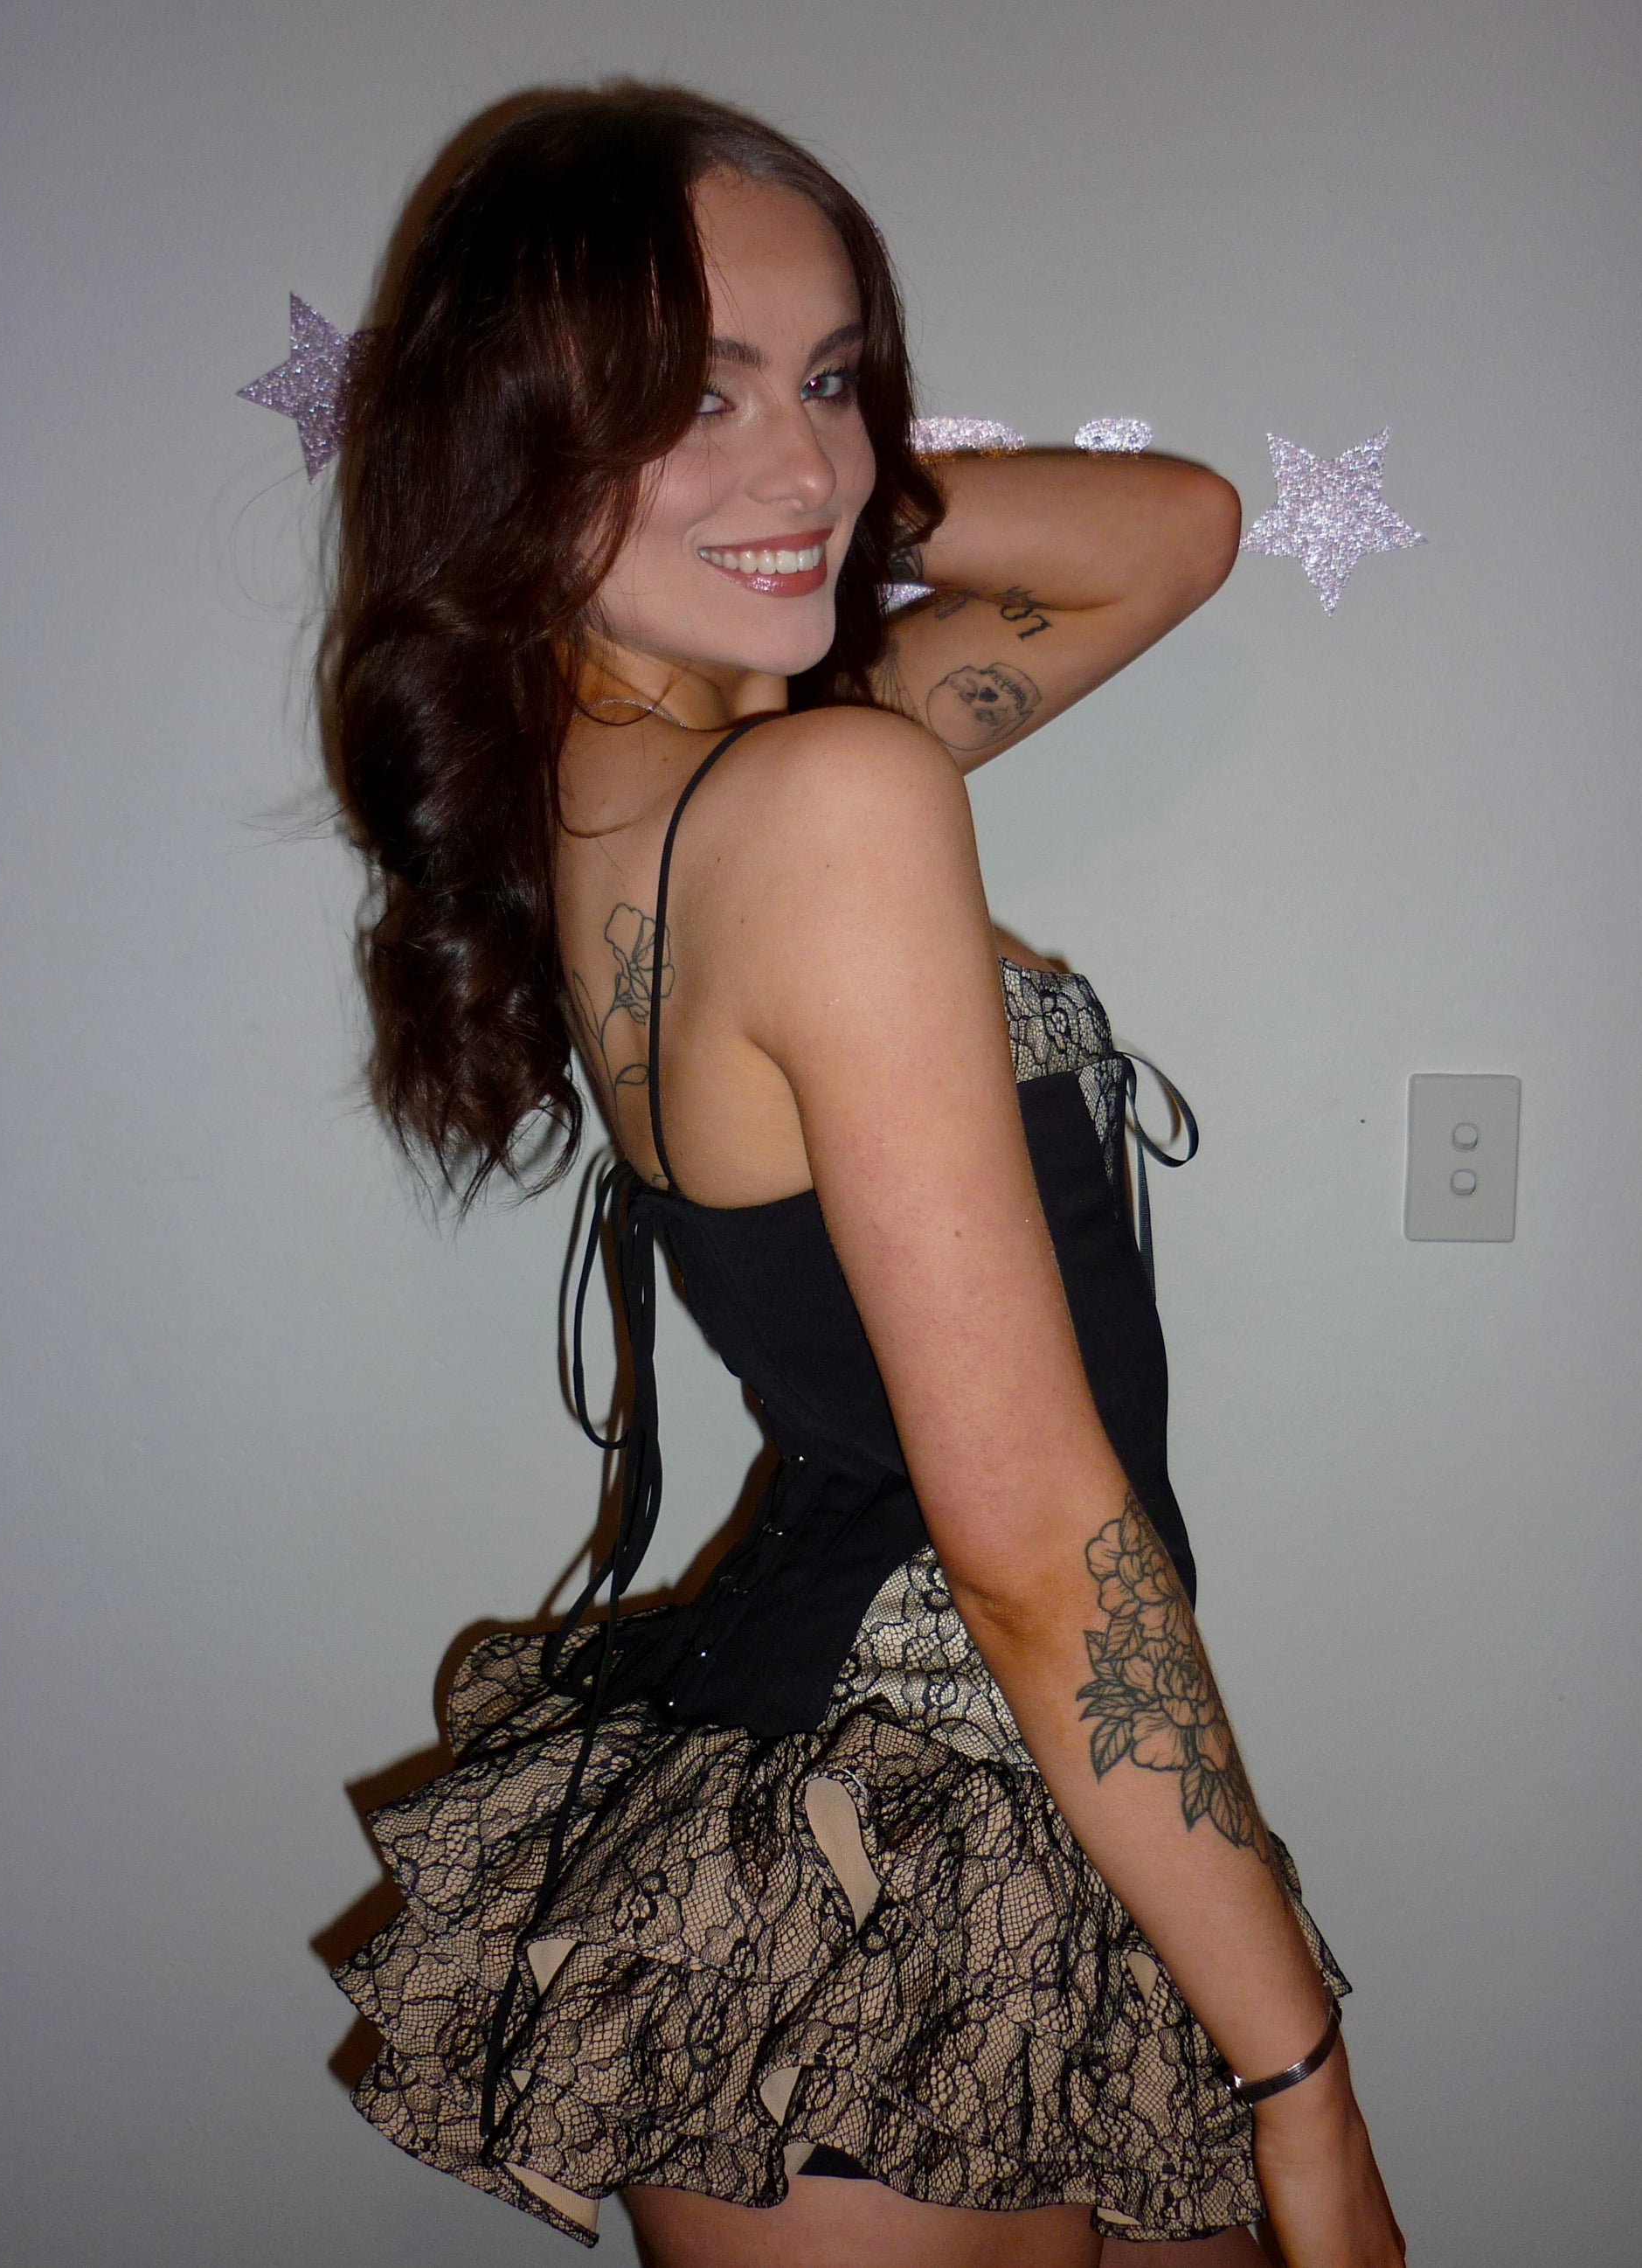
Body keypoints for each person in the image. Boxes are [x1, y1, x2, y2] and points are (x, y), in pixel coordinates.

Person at [321, 80, 1405, 2268]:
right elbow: (1029, 1546)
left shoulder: (681, 770)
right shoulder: (821, 801)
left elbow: (1178, 529)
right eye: (685, 396)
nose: (806, 467)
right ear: (515, 435)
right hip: (917, 1822)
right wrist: (1307, 2092)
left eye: (829, 380)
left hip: (981, 1795)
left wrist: (773, 489)